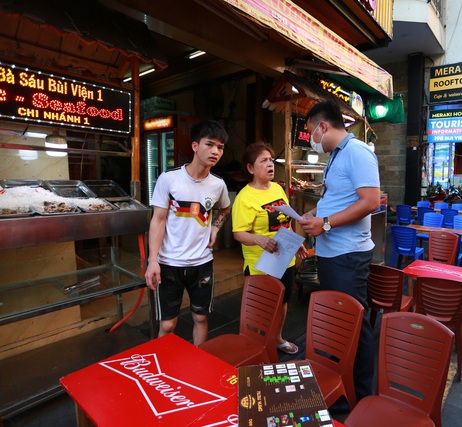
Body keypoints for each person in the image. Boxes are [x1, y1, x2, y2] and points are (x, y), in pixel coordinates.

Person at [298, 101, 380, 402]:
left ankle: (360, 394)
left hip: (347, 256)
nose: (310, 139)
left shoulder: (357, 152)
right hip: (332, 254)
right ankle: (340, 382)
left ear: (323, 126)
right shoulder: (337, 156)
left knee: (354, 324)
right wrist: (314, 215)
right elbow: (336, 196)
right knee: (339, 321)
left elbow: (371, 202)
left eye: (309, 132)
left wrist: (327, 223)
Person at [145, 120, 231, 346]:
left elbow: (225, 208)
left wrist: (216, 227)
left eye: (220, 147)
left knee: (200, 317)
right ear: (195, 146)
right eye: (209, 144)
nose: (215, 151)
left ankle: (198, 366)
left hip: (202, 263)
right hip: (169, 263)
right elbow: (158, 219)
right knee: (167, 325)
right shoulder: (169, 178)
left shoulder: (218, 184)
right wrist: (152, 260)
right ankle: (161, 369)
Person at [232, 141, 308, 355]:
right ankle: (256, 345)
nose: (270, 164)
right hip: (261, 265)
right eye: (263, 161)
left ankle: (277, 338)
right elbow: (239, 233)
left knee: (283, 300)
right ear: (250, 168)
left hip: (285, 260)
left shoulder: (277, 188)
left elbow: (286, 220)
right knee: (262, 307)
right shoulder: (244, 198)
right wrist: (260, 240)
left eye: (271, 160)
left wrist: (296, 240)